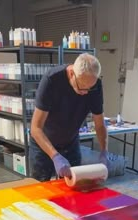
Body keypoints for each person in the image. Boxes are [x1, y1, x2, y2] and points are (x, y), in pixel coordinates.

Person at [30, 53, 108, 181]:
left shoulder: (95, 85)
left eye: (89, 89)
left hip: (70, 143)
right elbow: (35, 128)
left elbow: (99, 124)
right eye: (82, 88)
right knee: (40, 191)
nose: (85, 93)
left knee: (74, 188)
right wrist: (55, 156)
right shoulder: (51, 80)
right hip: (43, 144)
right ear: (72, 73)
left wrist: (104, 151)